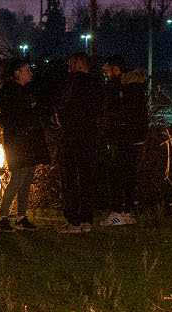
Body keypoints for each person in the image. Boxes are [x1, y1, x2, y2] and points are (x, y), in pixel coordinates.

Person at [0, 58, 47, 231]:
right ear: (17, 73)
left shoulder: (25, 91)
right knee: (18, 177)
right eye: (26, 70)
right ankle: (3, 216)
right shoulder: (11, 92)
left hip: (28, 140)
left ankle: (21, 216)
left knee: (27, 178)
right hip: (18, 142)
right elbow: (13, 117)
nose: (30, 72)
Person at [54, 52, 104, 233]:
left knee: (70, 179)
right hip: (89, 137)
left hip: (72, 136)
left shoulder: (71, 82)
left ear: (76, 64)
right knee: (86, 179)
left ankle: (73, 220)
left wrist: (62, 120)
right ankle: (86, 219)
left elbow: (63, 107)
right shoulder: (96, 84)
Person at [101, 66, 149, 225]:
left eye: (108, 70)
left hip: (122, 139)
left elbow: (115, 113)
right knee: (129, 175)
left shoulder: (121, 89)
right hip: (135, 139)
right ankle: (127, 212)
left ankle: (117, 214)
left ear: (116, 70)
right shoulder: (138, 89)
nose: (106, 74)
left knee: (116, 175)